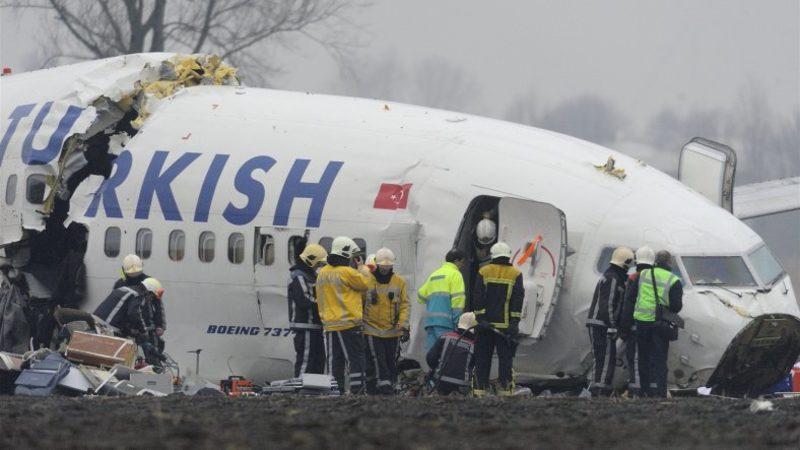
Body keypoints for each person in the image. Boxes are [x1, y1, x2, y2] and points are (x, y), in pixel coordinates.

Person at [316, 236, 371, 394]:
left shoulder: (323, 273)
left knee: (335, 361)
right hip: (349, 324)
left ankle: (335, 391)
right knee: (356, 359)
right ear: (346, 254)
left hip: (331, 324)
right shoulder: (347, 272)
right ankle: (357, 390)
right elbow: (365, 284)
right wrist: (362, 268)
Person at [472, 242, 524, 397]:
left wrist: (481, 318)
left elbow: (478, 297)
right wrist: (514, 324)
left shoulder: (484, 271)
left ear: (493, 255)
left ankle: (479, 393)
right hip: (506, 328)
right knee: (505, 362)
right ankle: (505, 392)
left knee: (482, 360)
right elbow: (517, 301)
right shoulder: (516, 274)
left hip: (485, 327)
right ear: (508, 255)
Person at [633, 249, 683, 397]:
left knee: (643, 358)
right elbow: (676, 306)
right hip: (659, 323)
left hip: (641, 321)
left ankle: (644, 391)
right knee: (660, 359)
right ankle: (660, 392)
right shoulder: (674, 280)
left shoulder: (643, 274)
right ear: (669, 262)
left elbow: (633, 294)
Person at [585, 246, 633, 396]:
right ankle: (599, 390)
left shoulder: (610, 275)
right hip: (602, 325)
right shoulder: (613, 278)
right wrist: (612, 325)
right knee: (605, 358)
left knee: (604, 357)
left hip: (599, 324)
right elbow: (608, 304)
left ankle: (599, 388)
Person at [363, 248, 409, 395]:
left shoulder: (399, 282)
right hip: (371, 329)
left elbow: (404, 305)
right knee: (379, 361)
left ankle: (391, 386)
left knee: (391, 362)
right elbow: (358, 302)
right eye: (383, 267)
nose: (385, 270)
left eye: (388, 267)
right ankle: (384, 389)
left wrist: (403, 324)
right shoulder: (367, 281)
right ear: (376, 264)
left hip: (393, 332)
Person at [618, 246, 655, 396]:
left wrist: (623, 329)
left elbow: (628, 303)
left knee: (635, 359)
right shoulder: (657, 277)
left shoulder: (634, 278)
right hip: (654, 326)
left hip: (636, 326)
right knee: (651, 359)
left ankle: (637, 391)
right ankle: (651, 390)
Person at [288, 244, 328, 377]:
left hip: (315, 327)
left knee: (318, 360)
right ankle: (301, 390)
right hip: (305, 326)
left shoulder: (311, 277)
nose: (319, 267)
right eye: (318, 264)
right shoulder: (298, 277)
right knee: (306, 360)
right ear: (311, 261)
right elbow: (304, 301)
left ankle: (314, 391)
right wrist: (325, 304)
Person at [417, 249, 467, 350]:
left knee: (432, 356)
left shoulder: (434, 275)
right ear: (457, 261)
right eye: (462, 262)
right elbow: (458, 301)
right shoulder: (455, 274)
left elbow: (421, 295)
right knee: (446, 356)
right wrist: (458, 323)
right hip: (446, 323)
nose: (462, 265)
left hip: (431, 322)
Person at [426, 312, 477, 396]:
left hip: (441, 381)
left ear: (459, 324)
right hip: (462, 384)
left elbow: (430, 358)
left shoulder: (445, 336)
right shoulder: (474, 345)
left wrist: (436, 369)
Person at [140, 277, 166, 366]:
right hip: (142, 333)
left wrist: (160, 325)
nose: (151, 299)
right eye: (152, 297)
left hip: (150, 332)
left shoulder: (152, 291)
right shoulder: (137, 299)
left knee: (155, 349)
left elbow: (159, 309)